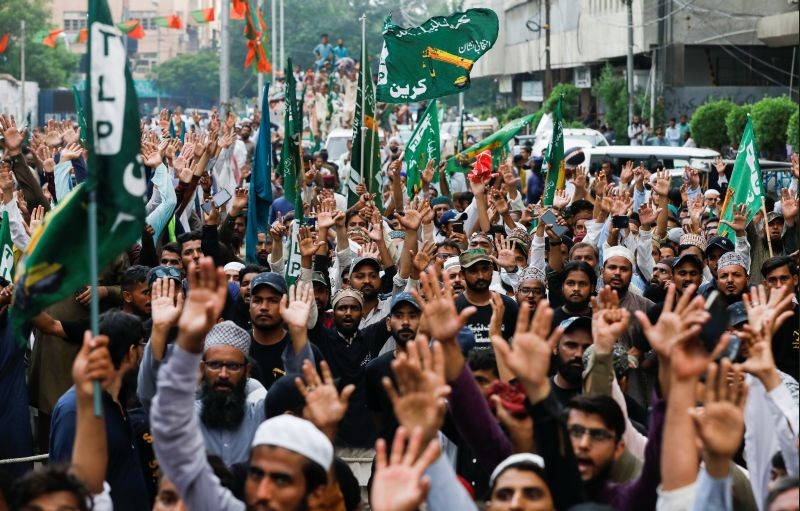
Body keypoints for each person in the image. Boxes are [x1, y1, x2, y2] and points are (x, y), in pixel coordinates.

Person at [150, 258, 335, 511]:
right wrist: (161, 330)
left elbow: (299, 394)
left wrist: (299, 332)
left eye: (233, 366)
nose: (223, 374)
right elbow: (152, 394)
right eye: (215, 365)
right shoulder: (187, 416)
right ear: (203, 369)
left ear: (247, 371)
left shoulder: (260, 414)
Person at [49, 312, 149, 511]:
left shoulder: (118, 399)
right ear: (131, 352)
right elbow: (69, 489)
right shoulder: (76, 410)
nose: (143, 354)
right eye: (141, 346)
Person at [456, 249, 519, 345]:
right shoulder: (454, 307)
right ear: (462, 275)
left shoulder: (508, 305)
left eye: (484, 269)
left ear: (491, 270)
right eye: (473, 271)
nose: (480, 276)